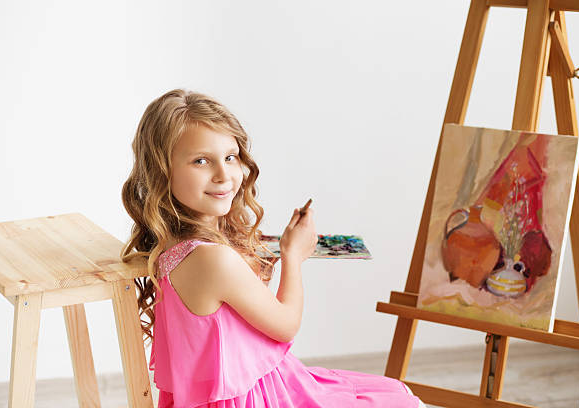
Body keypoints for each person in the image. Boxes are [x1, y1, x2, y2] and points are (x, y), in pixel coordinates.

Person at [120, 89, 425, 407]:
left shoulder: (173, 244)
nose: (224, 174)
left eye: (230, 157)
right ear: (162, 171)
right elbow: (285, 326)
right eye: (201, 161)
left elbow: (223, 329)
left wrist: (255, 278)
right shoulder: (212, 258)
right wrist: (293, 256)